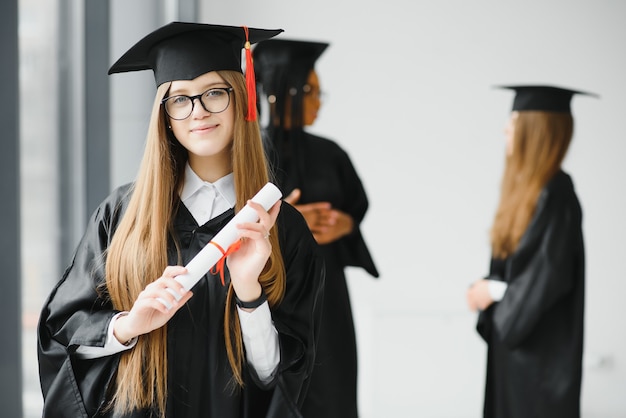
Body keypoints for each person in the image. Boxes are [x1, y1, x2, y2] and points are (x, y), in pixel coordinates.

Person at [37, 22, 325, 418]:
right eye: (180, 100)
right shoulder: (121, 214)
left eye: (213, 93)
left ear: (240, 99)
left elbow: (281, 377)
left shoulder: (281, 228)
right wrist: (127, 325)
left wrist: (248, 291)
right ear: (166, 116)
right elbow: (63, 332)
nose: (199, 111)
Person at [253, 39, 379, 418]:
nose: (319, 100)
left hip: (328, 294)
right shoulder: (251, 153)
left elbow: (355, 210)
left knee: (333, 382)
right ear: (282, 90)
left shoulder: (331, 153)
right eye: (309, 90)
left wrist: (344, 225)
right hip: (274, 292)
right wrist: (289, 222)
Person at [466, 85, 596, 418]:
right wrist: (483, 289)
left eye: (514, 121)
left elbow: (548, 276)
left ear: (535, 131)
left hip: (540, 362)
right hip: (516, 356)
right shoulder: (527, 191)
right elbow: (518, 269)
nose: (505, 129)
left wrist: (492, 291)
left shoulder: (557, 194)